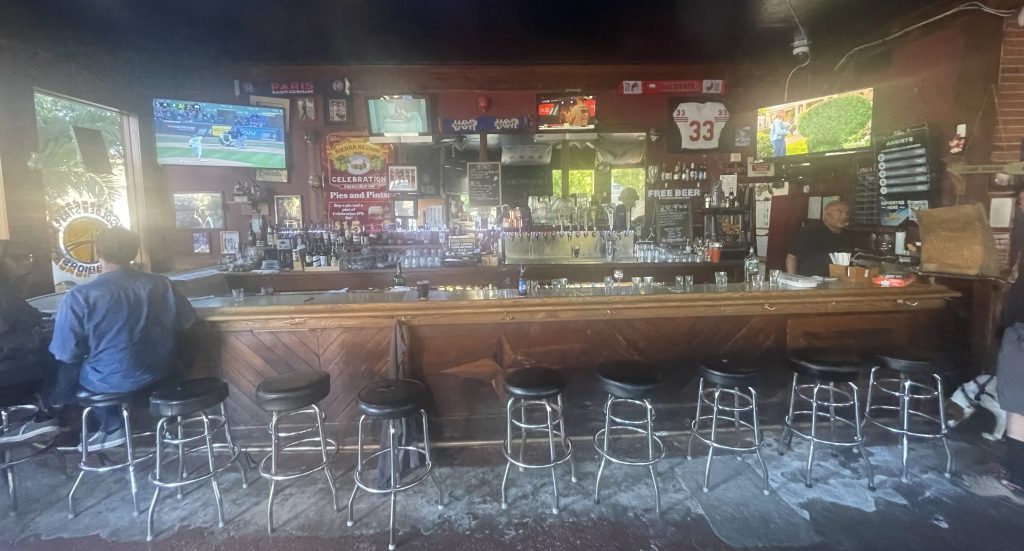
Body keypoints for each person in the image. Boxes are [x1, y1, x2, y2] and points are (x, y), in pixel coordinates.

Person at [49, 228, 197, 450]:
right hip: (163, 374)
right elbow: (187, 320)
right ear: (134, 252)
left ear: (98, 253)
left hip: (112, 382)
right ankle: (130, 426)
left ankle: (104, 425)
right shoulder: (160, 284)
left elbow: (66, 352)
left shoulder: (80, 296)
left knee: (67, 370)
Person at [0, 241, 60, 443]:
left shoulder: (9, 290)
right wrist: (36, 337)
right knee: (65, 361)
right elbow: (8, 339)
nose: (26, 263)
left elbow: (32, 315)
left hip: (12, 363)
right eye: (18, 259)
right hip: (6, 372)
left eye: (29, 258)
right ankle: (41, 414)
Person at [786, 200, 851, 277]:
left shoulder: (848, 236)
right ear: (826, 214)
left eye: (846, 213)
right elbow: (792, 257)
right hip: (810, 282)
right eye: (840, 212)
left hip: (839, 283)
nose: (844, 216)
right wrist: (793, 279)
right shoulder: (811, 233)